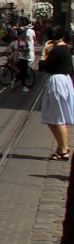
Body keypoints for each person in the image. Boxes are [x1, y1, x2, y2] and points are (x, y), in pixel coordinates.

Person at [37, 28, 74, 161]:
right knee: (53, 116)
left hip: (57, 82)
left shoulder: (57, 49)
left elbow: (42, 66)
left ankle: (64, 149)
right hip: (64, 80)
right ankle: (61, 147)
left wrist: (44, 51)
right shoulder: (66, 48)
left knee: (57, 117)